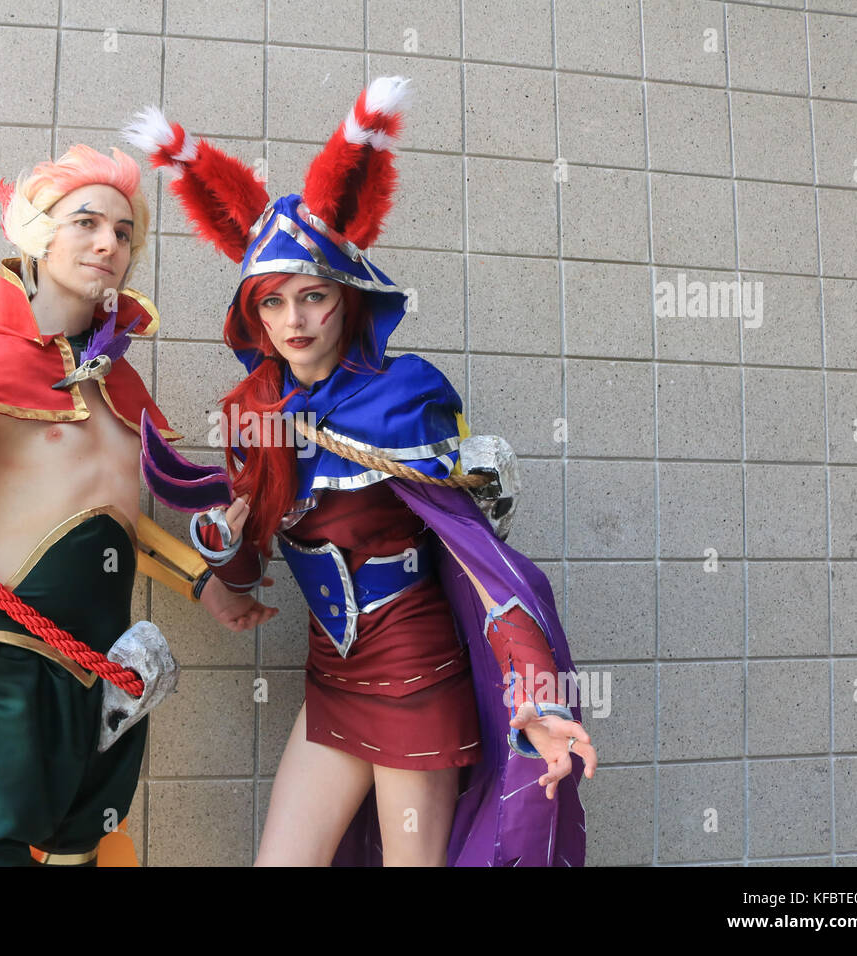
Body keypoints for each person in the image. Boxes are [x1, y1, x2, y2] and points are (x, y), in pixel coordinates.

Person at [125, 78, 597, 866]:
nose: (295, 323)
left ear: (347, 300)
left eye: (313, 298)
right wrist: (223, 544)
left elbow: (482, 566)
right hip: (332, 681)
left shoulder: (401, 396)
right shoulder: (255, 414)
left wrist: (536, 695)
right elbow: (249, 575)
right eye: (273, 304)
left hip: (418, 682)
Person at [0, 144, 277, 867]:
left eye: (124, 233)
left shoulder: (121, 387)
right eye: (86, 222)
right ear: (39, 233)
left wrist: (205, 585)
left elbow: (113, 521)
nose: (109, 243)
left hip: (107, 685)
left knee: (81, 858)